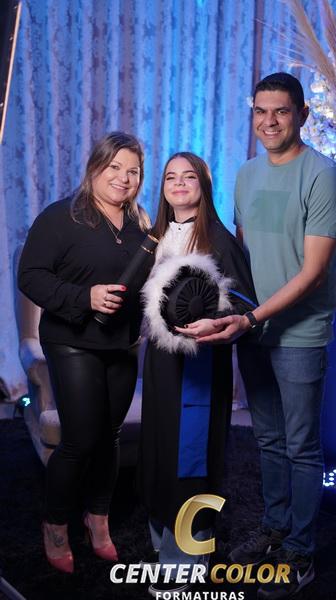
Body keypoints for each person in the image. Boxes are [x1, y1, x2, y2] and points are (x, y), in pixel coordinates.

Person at [193, 73, 336, 599]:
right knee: (268, 439)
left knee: (301, 446)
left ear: (302, 115)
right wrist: (224, 307)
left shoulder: (322, 176)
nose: (269, 121)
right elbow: (241, 258)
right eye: (261, 111)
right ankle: (276, 528)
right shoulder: (245, 174)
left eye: (281, 111)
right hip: (252, 327)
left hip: (299, 334)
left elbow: (312, 273)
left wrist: (253, 317)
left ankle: (300, 553)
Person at [18, 132, 152, 574]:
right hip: (71, 340)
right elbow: (31, 277)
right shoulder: (60, 216)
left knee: (109, 436)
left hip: (123, 343)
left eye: (133, 171)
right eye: (114, 167)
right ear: (95, 166)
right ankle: (56, 524)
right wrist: (85, 297)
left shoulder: (141, 224)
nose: (123, 178)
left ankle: (98, 518)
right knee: (79, 439)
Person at [139, 152, 257, 599]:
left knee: (192, 459)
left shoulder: (219, 240)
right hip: (159, 362)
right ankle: (162, 547)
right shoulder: (153, 237)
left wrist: (217, 321)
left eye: (189, 176)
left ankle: (187, 562)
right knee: (158, 451)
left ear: (203, 186)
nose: (179, 183)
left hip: (201, 363)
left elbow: (247, 303)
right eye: (171, 177)